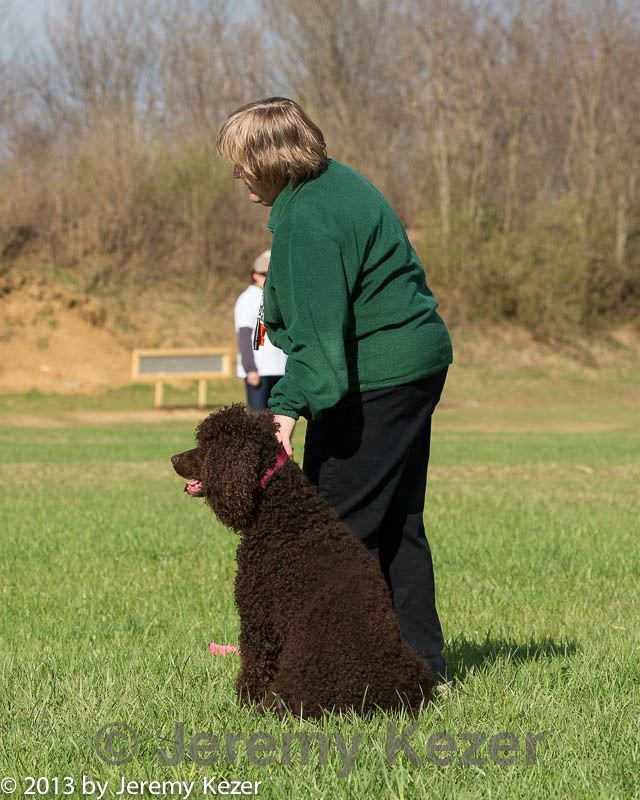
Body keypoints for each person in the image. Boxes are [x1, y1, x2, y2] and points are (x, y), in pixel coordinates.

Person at [217, 97, 454, 687]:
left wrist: (285, 411)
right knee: (397, 520)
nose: (237, 173)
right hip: (410, 366)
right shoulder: (333, 183)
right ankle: (421, 668)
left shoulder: (310, 221)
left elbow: (322, 357)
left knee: (331, 534)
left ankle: (343, 675)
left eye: (243, 161)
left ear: (271, 160)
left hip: (378, 375)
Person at [233, 249, 287, 411]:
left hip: (280, 369)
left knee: (279, 420)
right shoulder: (247, 299)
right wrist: (250, 368)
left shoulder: (278, 297)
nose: (269, 279)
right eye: (265, 275)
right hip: (259, 370)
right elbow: (244, 335)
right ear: (255, 275)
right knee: (258, 421)